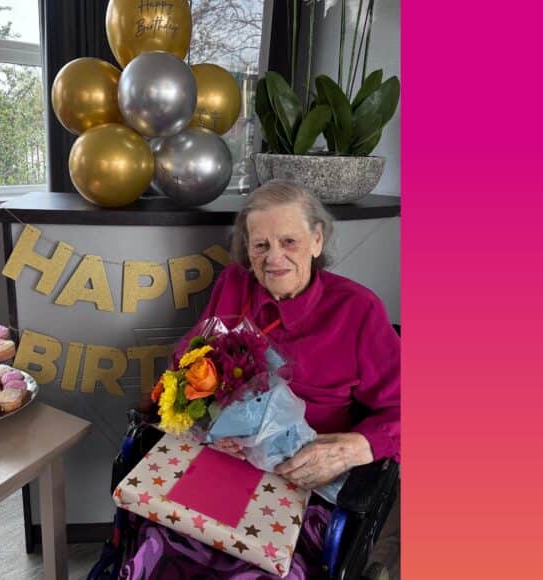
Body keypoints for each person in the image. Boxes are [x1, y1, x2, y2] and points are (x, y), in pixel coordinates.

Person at [120, 180, 401, 579]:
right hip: (222, 465)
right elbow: (188, 365)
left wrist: (356, 447)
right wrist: (206, 425)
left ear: (317, 241)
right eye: (261, 245)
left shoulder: (358, 310)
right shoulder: (235, 285)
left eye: (289, 241)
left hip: (303, 485)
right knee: (161, 542)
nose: (274, 257)